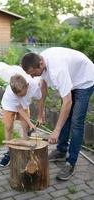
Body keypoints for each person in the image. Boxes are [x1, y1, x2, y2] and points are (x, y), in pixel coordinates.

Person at [21, 47, 94, 180]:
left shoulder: (57, 70)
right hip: (71, 79)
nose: (32, 76)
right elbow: (42, 87)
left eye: (33, 73)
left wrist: (56, 130)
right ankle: (61, 151)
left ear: (41, 64)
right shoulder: (40, 59)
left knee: (76, 122)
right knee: (65, 117)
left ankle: (70, 162)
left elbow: (67, 102)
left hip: (84, 80)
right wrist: (40, 112)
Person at [0, 74, 42, 167]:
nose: (20, 96)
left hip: (24, 105)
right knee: (8, 127)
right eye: (18, 95)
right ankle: (9, 152)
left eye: (22, 94)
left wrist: (40, 115)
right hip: (9, 104)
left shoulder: (33, 86)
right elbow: (19, 109)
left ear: (27, 86)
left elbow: (40, 99)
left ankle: (26, 151)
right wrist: (31, 122)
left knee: (26, 127)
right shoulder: (11, 94)